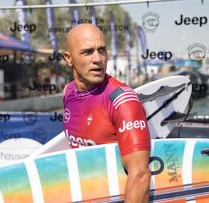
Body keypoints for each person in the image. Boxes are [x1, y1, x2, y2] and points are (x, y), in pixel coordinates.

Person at [62, 23, 151, 202]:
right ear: (68, 58)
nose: (98, 59)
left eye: (102, 50)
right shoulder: (68, 92)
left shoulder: (123, 101)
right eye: (87, 52)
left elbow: (140, 176)